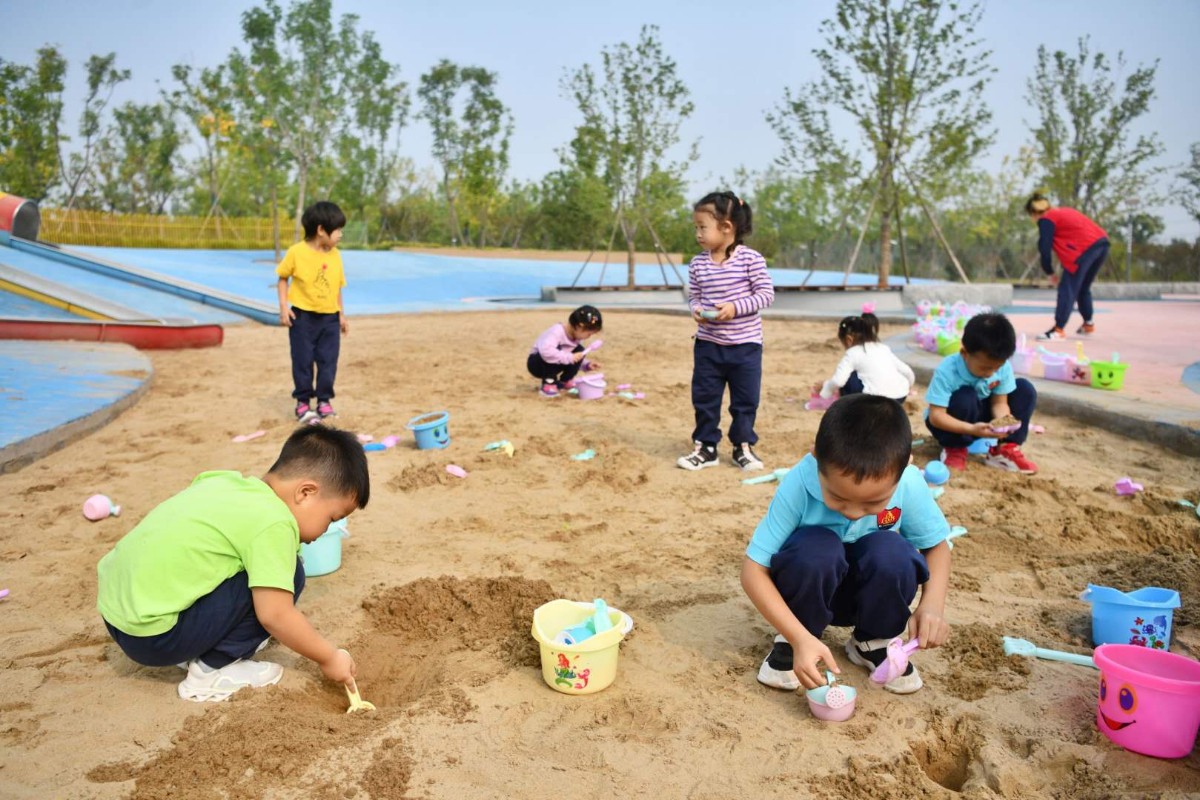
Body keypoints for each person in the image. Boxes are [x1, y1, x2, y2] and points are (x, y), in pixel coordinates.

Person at [96, 425, 369, 702]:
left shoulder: (223, 481)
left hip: (117, 616)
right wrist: (329, 657)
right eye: (332, 518)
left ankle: (195, 645)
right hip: (154, 638)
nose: (327, 529)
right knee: (291, 574)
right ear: (306, 492)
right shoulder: (274, 521)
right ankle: (210, 671)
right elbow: (275, 616)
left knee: (245, 567)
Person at [742, 394, 951, 695]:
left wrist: (932, 605)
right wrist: (798, 636)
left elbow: (936, 547)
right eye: (837, 498)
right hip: (809, 593)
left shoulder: (908, 483)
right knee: (815, 548)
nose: (853, 512)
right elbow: (753, 569)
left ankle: (872, 641)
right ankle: (793, 639)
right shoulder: (799, 483)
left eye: (874, 502)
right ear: (816, 456)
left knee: (893, 552)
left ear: (905, 466)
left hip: (872, 596)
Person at [678, 191, 775, 472]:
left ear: (727, 227)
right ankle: (706, 447)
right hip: (709, 345)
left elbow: (766, 295)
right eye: (695, 227)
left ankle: (743, 446)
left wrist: (735, 307)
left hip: (745, 346)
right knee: (705, 397)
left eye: (702, 227)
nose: (697, 233)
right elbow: (694, 296)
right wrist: (696, 310)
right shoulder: (697, 263)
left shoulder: (750, 260)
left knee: (745, 400)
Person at [926, 312, 1039, 474]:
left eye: (997, 368)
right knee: (965, 396)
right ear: (964, 353)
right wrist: (971, 429)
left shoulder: (1002, 367)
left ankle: (1004, 449)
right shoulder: (948, 371)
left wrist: (1003, 423)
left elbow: (999, 402)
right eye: (985, 368)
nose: (991, 373)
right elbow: (936, 416)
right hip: (952, 423)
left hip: (982, 420)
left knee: (1025, 389)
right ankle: (955, 448)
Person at [277, 201, 349, 422]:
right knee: (303, 360)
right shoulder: (296, 253)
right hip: (303, 318)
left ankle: (324, 402)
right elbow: (282, 278)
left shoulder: (335, 255)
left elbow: (337, 286)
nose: (340, 234)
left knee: (328, 361)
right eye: (336, 229)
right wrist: (283, 308)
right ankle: (303, 404)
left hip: (329, 318)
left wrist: (341, 314)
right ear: (320, 230)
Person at [1025, 193, 1110, 341]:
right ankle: (1088, 324)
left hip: (1083, 251)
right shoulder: (1064, 211)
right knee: (1083, 288)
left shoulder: (1046, 219)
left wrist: (1049, 272)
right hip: (1101, 244)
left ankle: (1058, 330)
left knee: (1067, 288)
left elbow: (1044, 248)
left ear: (1034, 213)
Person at [818, 312, 915, 404]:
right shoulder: (883, 348)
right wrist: (909, 386)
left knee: (850, 377)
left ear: (848, 340)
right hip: (899, 397)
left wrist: (825, 390)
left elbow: (838, 381)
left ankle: (851, 407)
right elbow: (907, 371)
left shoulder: (852, 353)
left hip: (874, 400)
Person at [527, 305, 603, 398]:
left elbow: (570, 356)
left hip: (556, 362)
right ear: (579, 326)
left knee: (580, 350)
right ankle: (548, 383)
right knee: (554, 351)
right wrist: (570, 357)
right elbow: (546, 352)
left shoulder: (576, 337)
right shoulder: (557, 331)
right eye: (589, 334)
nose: (589, 337)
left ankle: (565, 381)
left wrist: (585, 364)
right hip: (537, 363)